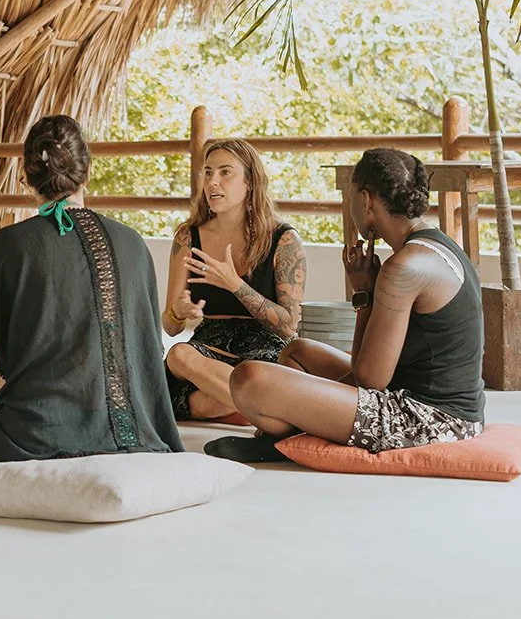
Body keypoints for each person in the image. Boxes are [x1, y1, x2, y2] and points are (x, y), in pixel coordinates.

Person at [0, 115, 184, 461]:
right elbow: (146, 353)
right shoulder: (133, 243)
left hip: (40, 435)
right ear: (87, 172)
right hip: (141, 431)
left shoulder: (7, 245)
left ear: (25, 176)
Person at [206, 148, 486, 463]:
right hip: (416, 399)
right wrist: (365, 289)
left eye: (351, 195)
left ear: (366, 200)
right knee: (297, 352)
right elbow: (366, 369)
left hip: (428, 421)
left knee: (249, 379)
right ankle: (296, 430)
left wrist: (364, 295)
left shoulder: (404, 268)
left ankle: (287, 436)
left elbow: (369, 379)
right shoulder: (435, 246)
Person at [163, 139, 305, 420]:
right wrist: (177, 312)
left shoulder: (284, 239)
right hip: (207, 350)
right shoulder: (187, 237)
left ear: (250, 181)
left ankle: (239, 407)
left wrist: (235, 285)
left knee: (208, 401)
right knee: (179, 355)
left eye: (225, 172)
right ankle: (268, 409)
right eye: (208, 172)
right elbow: (169, 327)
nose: (213, 182)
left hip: (265, 349)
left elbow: (289, 326)